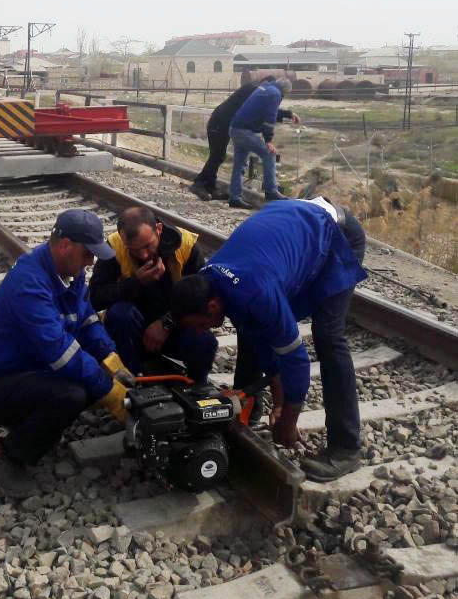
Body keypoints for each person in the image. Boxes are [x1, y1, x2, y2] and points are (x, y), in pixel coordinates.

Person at [169, 197, 367, 481]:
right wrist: (278, 398)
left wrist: (288, 420)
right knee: (252, 325)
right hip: (295, 224)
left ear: (212, 306)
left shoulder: (255, 290)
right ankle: (250, 408)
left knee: (328, 336)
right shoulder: (212, 279)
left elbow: (296, 359)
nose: (202, 331)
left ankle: (347, 448)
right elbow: (255, 332)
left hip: (337, 234)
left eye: (201, 325)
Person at [0, 209, 133, 498]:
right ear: (65, 246)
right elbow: (60, 352)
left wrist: (110, 359)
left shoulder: (68, 273)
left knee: (89, 381)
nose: (90, 263)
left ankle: (32, 423)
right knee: (73, 394)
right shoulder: (29, 284)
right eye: (87, 254)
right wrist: (109, 391)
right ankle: (9, 454)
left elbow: (87, 318)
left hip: (23, 369)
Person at [89, 206, 217, 384]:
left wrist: (166, 323)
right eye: (134, 250)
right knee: (120, 314)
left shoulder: (186, 246)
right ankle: (132, 384)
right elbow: (95, 298)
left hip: (175, 329)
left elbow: (202, 299)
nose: (143, 254)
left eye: (148, 245)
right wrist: (135, 282)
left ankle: (198, 389)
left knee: (204, 340)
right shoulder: (115, 246)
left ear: (158, 229)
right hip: (133, 332)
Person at [189, 79, 300, 201]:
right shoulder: (257, 91)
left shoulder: (257, 89)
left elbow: (266, 110)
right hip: (220, 122)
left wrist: (287, 114)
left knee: (221, 156)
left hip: (226, 123)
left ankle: (211, 187)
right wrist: (270, 135)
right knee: (217, 155)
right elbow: (267, 111)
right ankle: (199, 184)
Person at [227, 77, 294, 208]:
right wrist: (268, 140)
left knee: (238, 165)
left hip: (235, 128)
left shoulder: (266, 88)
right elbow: (269, 118)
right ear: (285, 90)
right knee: (269, 154)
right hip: (245, 131)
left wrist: (289, 114)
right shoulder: (275, 94)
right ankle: (271, 191)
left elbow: (268, 110)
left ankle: (234, 198)